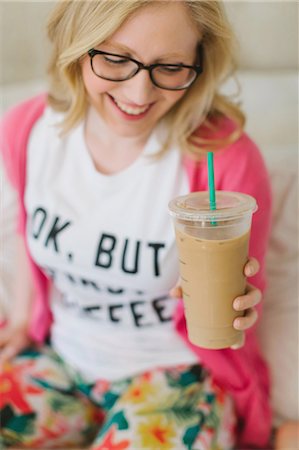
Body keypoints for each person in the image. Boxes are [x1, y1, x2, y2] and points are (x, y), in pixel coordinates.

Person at [0, 1, 273, 449]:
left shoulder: (225, 160)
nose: (139, 94)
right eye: (114, 58)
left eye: (169, 67)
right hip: (61, 360)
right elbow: (26, 227)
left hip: (173, 375)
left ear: (199, 64)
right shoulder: (27, 131)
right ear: (78, 46)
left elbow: (237, 304)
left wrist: (239, 307)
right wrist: (19, 319)